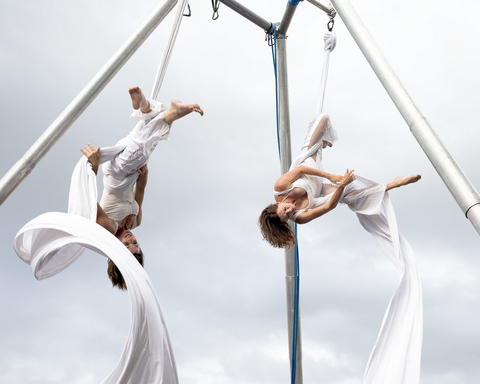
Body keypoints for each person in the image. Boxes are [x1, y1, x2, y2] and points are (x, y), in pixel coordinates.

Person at [81, 86, 203, 288]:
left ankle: (155, 110)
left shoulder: (108, 228)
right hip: (132, 171)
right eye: (135, 244)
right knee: (147, 138)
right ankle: (147, 107)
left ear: (117, 250)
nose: (131, 239)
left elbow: (87, 197)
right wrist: (144, 173)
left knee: (142, 149)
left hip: (115, 173)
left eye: (127, 245)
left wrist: (92, 167)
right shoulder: (136, 221)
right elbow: (141, 191)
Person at [259, 113, 421, 249]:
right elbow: (329, 205)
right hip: (320, 188)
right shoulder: (300, 218)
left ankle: (323, 143)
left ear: (277, 204)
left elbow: (301, 170)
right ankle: (395, 183)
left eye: (285, 209)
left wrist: (329, 176)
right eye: (287, 217)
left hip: (310, 164)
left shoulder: (280, 188)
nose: (291, 211)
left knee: (323, 119)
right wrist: (342, 185)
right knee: (351, 196)